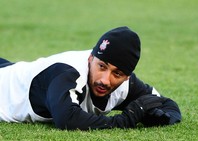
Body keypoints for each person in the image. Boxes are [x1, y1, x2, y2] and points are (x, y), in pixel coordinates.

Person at [0, 26, 181, 130]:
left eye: (117, 73)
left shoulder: (127, 85)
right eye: (101, 66)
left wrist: (155, 117)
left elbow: (167, 105)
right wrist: (126, 120)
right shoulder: (67, 72)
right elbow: (67, 119)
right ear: (90, 58)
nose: (105, 79)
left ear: (127, 77)